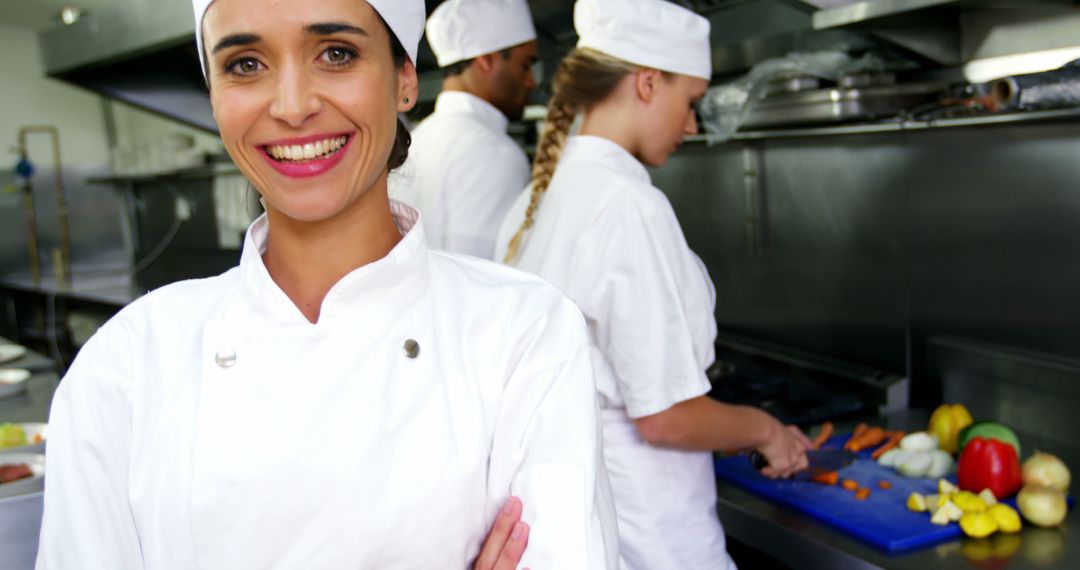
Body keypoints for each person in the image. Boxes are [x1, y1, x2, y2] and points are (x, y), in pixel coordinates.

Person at [35, 1, 620, 568]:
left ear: (405, 80)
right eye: (245, 64)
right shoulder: (127, 368)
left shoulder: (525, 336)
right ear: (214, 94)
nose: (291, 106)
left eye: (336, 53)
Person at [496, 0, 812, 567]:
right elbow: (666, 417)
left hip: (586, 527)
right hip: (653, 536)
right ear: (647, 83)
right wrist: (767, 429)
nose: (692, 125)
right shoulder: (629, 207)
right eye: (690, 102)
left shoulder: (531, 201)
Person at [392, 0, 538, 259]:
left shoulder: (417, 139)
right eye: (525, 65)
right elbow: (486, 279)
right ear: (486, 61)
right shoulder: (495, 154)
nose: (531, 81)